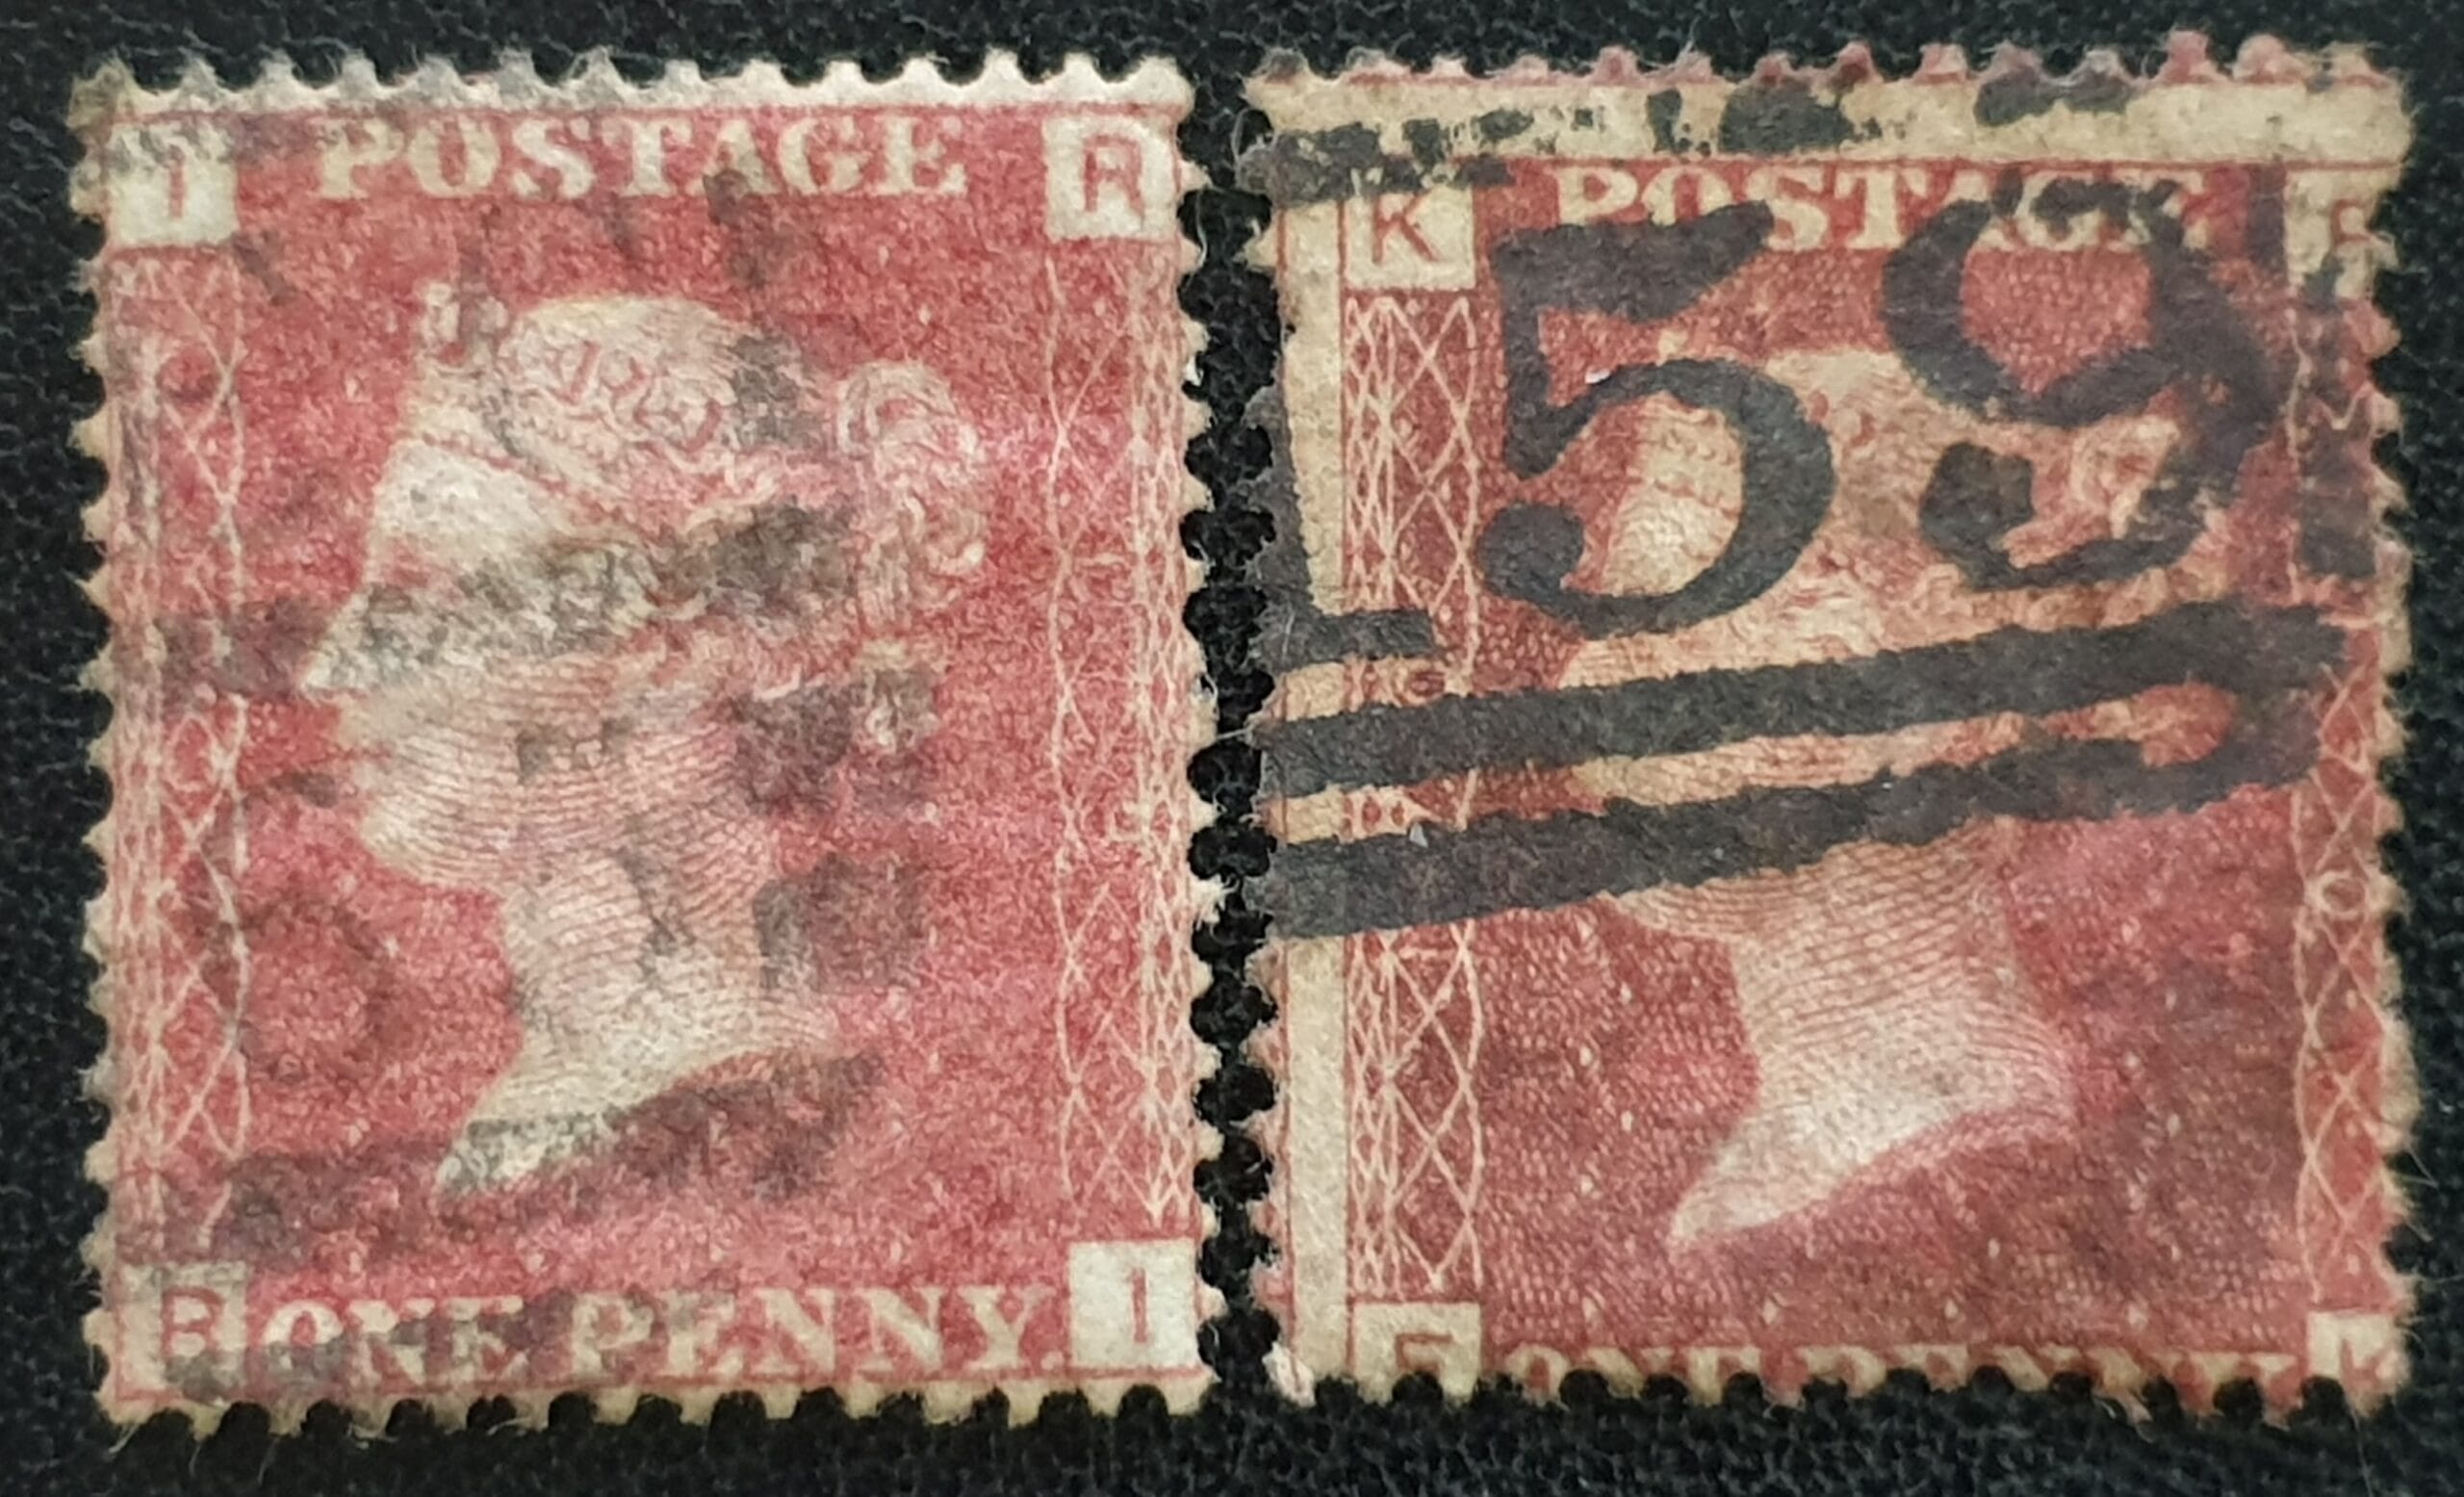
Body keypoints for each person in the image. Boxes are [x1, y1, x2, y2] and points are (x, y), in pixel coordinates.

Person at [299, 286, 986, 1193]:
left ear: (658, 663)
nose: (328, 671)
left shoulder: (717, 1118)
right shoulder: (574, 1097)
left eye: (417, 605)